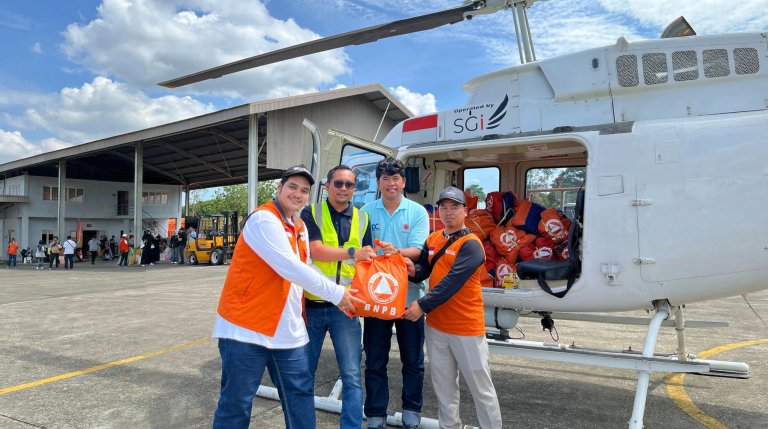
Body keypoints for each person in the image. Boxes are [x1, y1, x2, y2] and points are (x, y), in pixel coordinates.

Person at [212, 164, 364, 429]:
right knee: (236, 403)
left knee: (300, 396)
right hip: (246, 329)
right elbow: (289, 267)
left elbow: (306, 266)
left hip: (287, 329)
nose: (298, 194)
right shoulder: (264, 219)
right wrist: (338, 293)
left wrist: (343, 291)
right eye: (292, 187)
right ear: (279, 188)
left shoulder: (300, 226)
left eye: (304, 190)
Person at [404, 186, 503, 429]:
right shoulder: (433, 238)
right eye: (444, 207)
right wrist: (411, 270)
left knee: (481, 388)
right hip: (437, 327)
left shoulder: (471, 245)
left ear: (465, 211)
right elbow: (424, 272)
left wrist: (421, 305)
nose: (448, 212)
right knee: (444, 386)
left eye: (454, 207)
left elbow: (452, 283)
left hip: (466, 328)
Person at [299, 165, 375, 429]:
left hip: (347, 308)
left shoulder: (362, 218)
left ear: (355, 189)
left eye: (349, 185)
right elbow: (316, 251)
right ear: (327, 186)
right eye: (339, 183)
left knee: (353, 376)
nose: (344, 189)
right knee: (304, 375)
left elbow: (368, 261)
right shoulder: (311, 213)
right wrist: (353, 252)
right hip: (314, 306)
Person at [360, 157, 430, 429]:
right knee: (375, 359)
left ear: (403, 182)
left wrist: (395, 252)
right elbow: (362, 251)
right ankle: (376, 413)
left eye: (396, 179)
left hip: (410, 298)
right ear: (378, 183)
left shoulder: (417, 212)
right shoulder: (365, 211)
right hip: (377, 298)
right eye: (385, 179)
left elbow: (419, 250)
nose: (391, 183)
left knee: (412, 359)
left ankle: (412, 410)